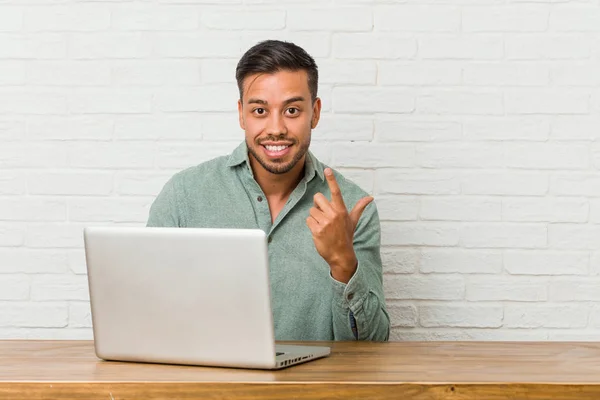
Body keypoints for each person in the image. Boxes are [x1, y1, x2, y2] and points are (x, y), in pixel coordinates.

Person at [147, 40, 390, 341]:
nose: (276, 128)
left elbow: (373, 350)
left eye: (292, 110)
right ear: (241, 115)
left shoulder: (353, 209)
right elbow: (148, 316)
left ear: (314, 113)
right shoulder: (183, 197)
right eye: (260, 110)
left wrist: (343, 263)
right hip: (210, 386)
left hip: (312, 388)